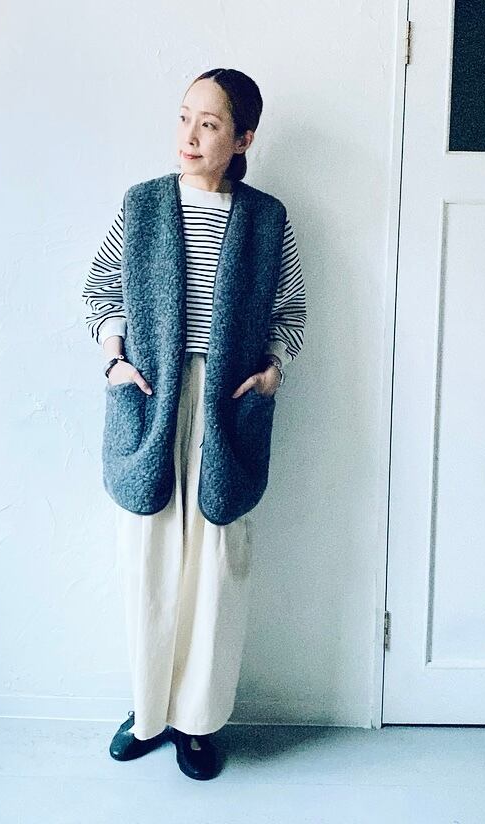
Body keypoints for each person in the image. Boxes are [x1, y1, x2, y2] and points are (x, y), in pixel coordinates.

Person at [82, 68, 306, 780]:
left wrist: (272, 371)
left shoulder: (266, 218)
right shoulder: (144, 204)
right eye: (185, 117)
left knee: (216, 565)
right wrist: (116, 360)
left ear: (243, 139)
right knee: (148, 558)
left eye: (209, 124)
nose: (190, 135)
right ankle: (149, 711)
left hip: (227, 402)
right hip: (153, 395)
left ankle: (198, 722)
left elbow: (291, 311)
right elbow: (100, 289)